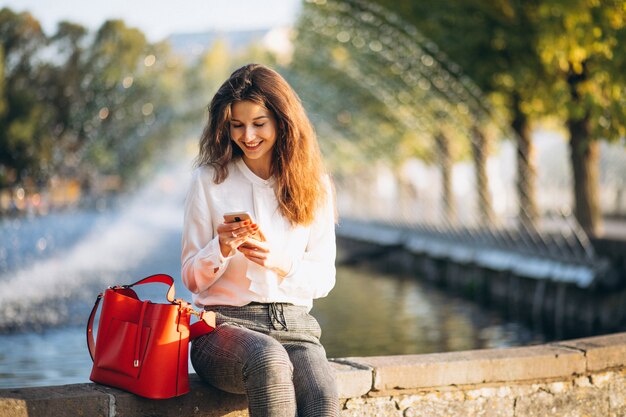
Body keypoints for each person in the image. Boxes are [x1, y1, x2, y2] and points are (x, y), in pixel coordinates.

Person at [181, 63, 340, 417]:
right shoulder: (208, 181)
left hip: (296, 329)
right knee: (268, 360)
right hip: (224, 328)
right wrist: (219, 249)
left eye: (259, 124)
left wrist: (278, 261)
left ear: (283, 122)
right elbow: (191, 277)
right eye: (237, 125)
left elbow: (324, 278)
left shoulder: (315, 185)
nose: (247, 136)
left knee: (322, 397)